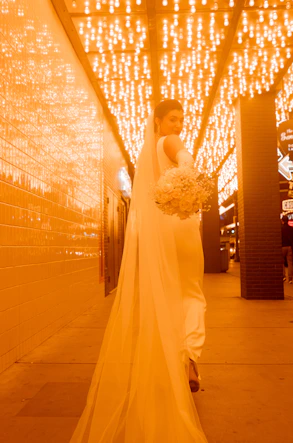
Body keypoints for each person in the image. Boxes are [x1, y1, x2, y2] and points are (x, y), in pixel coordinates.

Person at [70, 100, 208, 443]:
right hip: (183, 227)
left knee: (169, 294)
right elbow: (183, 156)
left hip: (160, 234)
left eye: (182, 120)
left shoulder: (147, 158)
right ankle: (189, 356)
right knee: (192, 292)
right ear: (158, 122)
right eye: (173, 119)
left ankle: (172, 357)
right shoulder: (169, 143)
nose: (179, 125)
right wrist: (187, 177)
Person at [282, 214, 293, 284]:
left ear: (282, 221)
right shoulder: (291, 229)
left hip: (282, 247)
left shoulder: (280, 229)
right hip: (289, 247)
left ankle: (283, 276)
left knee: (281, 262)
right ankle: (290, 279)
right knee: (290, 263)